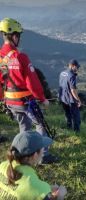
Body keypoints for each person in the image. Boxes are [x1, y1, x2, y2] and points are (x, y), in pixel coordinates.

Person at [0, 18, 57, 164]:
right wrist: (42, 98)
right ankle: (43, 155)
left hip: (10, 101)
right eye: (18, 35)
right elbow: (32, 81)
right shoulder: (21, 57)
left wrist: (3, 99)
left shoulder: (1, 57)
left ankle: (22, 153)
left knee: (24, 126)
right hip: (25, 101)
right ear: (14, 36)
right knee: (40, 124)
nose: (19, 38)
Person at [0, 131, 67, 199]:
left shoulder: (2, 165)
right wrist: (60, 195)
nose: (44, 149)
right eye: (42, 147)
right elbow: (32, 187)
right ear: (35, 155)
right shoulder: (36, 187)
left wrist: (48, 188)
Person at [58, 59, 81, 132]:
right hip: (71, 100)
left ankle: (69, 129)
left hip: (62, 98)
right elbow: (73, 90)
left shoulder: (62, 73)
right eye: (77, 67)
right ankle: (77, 132)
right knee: (76, 117)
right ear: (72, 66)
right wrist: (78, 100)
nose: (77, 69)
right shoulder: (72, 75)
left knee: (67, 114)